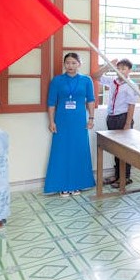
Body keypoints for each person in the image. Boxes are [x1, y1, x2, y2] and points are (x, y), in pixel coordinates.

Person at [45, 52, 96, 197]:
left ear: (79, 64)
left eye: (74, 63)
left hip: (79, 121)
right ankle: (62, 185)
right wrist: (51, 121)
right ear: (64, 64)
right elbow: (51, 103)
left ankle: (77, 184)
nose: (70, 66)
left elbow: (91, 100)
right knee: (61, 151)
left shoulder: (86, 80)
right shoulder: (57, 81)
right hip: (62, 121)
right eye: (67, 63)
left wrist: (91, 118)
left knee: (79, 150)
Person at [93, 59, 139, 186]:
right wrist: (108, 66)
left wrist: (128, 123)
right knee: (115, 149)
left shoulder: (131, 85)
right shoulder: (112, 81)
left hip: (123, 118)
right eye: (118, 68)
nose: (121, 71)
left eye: (124, 68)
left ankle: (125, 177)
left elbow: (131, 106)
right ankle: (117, 175)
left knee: (125, 149)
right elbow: (95, 76)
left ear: (129, 70)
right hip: (112, 118)